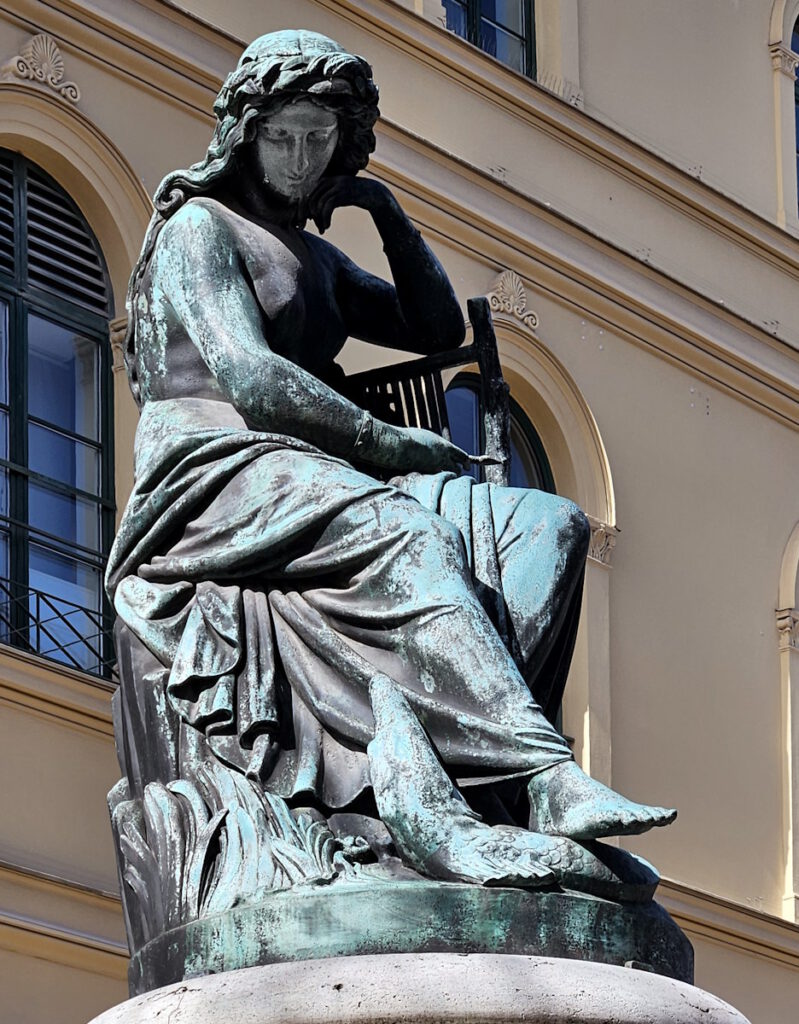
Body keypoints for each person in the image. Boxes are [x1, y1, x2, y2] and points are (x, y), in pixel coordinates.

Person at [107, 29, 674, 887]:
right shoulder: (199, 226)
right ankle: (541, 775)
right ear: (244, 134)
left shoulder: (320, 258)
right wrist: (383, 443)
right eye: (283, 134)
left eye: (319, 137)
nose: (299, 157)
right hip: (211, 466)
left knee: (545, 527)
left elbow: (434, 327)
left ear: (344, 145)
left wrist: (383, 211)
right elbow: (253, 379)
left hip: (302, 467)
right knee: (406, 537)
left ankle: (465, 785)